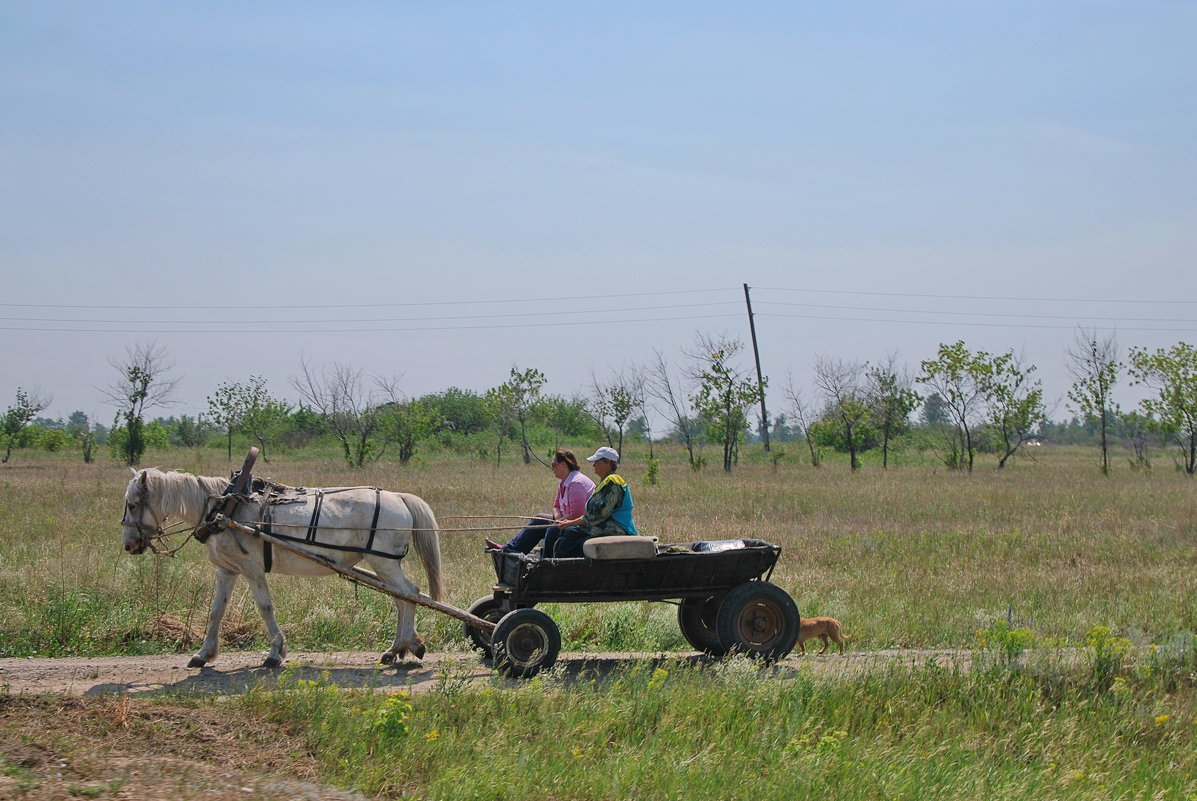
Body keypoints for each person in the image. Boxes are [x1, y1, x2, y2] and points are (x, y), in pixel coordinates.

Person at [485, 449, 595, 554]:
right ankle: (509, 549)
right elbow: (556, 506)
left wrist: (557, 523)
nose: (552, 468)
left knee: (552, 530)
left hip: (581, 525)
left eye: (554, 464)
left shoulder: (576, 483)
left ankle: (545, 562)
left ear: (563, 464)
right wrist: (558, 520)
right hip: (565, 520)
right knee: (538, 519)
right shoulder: (564, 482)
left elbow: (577, 514)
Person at [544, 446, 637, 558]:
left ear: (607, 462)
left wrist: (571, 522)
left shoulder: (613, 483)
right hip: (605, 525)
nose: (593, 465)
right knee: (567, 532)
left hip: (618, 528)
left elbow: (599, 514)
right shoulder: (605, 482)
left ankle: (559, 565)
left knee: (572, 533)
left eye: (596, 462)